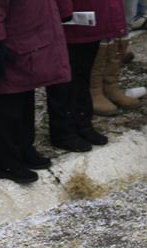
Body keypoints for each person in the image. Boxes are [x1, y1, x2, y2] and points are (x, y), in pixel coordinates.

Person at [0, 0, 72, 184]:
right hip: (9, 47)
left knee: (24, 100)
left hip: (27, 42)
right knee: (7, 105)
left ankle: (24, 148)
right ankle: (6, 161)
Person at [49, 0, 126, 151]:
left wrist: (117, 23)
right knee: (63, 82)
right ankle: (63, 131)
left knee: (83, 78)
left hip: (92, 22)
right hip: (68, 25)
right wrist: (65, 12)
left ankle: (83, 123)